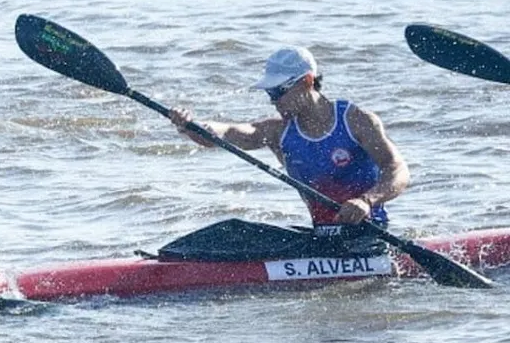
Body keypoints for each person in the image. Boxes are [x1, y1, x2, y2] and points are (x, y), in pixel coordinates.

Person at [170, 46, 409, 249]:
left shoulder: (356, 120)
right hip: (321, 238)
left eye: (278, 91)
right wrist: (192, 126)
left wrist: (366, 201)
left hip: (370, 235)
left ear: (306, 81)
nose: (272, 100)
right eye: (269, 92)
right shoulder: (278, 132)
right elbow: (229, 133)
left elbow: (397, 171)